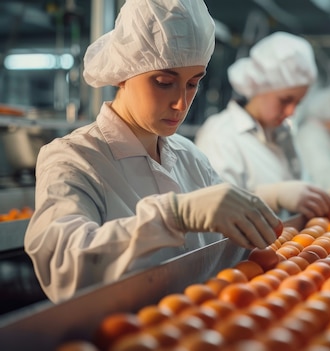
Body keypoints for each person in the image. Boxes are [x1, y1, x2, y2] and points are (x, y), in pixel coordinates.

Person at [24, 0, 282, 303]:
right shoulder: (74, 158)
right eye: (164, 82)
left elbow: (232, 250)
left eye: (193, 84)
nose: (181, 103)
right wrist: (173, 216)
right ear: (124, 72)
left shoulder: (190, 157)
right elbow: (64, 267)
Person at [194, 32, 330, 219]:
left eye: (298, 102)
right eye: (285, 100)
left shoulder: (282, 133)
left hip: (285, 242)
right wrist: (272, 196)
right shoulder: (221, 134)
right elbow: (210, 208)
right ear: (259, 86)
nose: (291, 111)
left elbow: (300, 183)